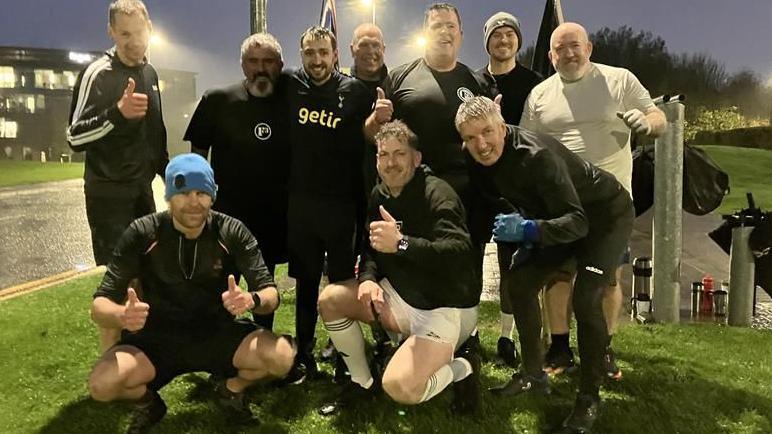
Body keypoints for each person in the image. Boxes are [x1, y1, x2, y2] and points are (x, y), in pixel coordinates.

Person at [457, 96, 634, 433]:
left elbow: (579, 223)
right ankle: (534, 374)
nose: (480, 145)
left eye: (487, 132)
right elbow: (495, 195)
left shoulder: (537, 156)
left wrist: (530, 229)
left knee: (586, 298)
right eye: (470, 137)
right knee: (520, 284)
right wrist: (520, 219)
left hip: (603, 215)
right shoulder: (474, 156)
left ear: (502, 126)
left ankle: (588, 397)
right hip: (558, 217)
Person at [86, 153, 295, 433]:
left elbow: (270, 294)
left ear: (213, 196)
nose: (194, 202)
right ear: (169, 197)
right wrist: (122, 315)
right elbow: (99, 305)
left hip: (216, 332)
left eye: (201, 192)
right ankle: (149, 404)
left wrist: (251, 300)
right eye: (183, 193)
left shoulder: (232, 230)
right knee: (102, 385)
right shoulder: (143, 231)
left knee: (282, 356)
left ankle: (231, 390)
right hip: (158, 339)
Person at [520, 22, 666, 379]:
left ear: (589, 47)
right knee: (557, 276)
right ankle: (558, 348)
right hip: (560, 204)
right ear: (551, 55)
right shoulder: (540, 94)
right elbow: (526, 144)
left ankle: (602, 349)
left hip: (609, 204)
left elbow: (658, 117)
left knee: (607, 280)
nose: (568, 54)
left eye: (574, 46)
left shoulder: (619, 80)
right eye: (559, 49)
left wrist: (647, 123)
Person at [317, 120, 482, 415]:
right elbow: (373, 246)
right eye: (383, 155)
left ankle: (464, 364)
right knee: (331, 299)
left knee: (401, 388)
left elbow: (459, 254)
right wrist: (367, 278)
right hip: (401, 297)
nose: (390, 163)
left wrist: (403, 243)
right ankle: (362, 383)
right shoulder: (381, 194)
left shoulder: (438, 194)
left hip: (443, 307)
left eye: (399, 154)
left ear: (416, 159)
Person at [66, 0, 168, 354]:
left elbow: (156, 132)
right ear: (111, 32)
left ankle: (141, 348)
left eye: (138, 31)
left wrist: (169, 174)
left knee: (148, 269)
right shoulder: (98, 73)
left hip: (142, 190)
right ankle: (112, 357)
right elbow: (74, 136)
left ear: (149, 28)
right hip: (108, 194)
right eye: (124, 33)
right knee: (118, 278)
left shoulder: (150, 72)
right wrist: (117, 114)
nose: (133, 40)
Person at [365, 2, 495, 273]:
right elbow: (373, 136)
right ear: (426, 32)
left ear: (460, 33)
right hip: (416, 196)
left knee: (465, 274)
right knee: (415, 271)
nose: (444, 32)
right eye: (437, 26)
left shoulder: (477, 82)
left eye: (450, 26)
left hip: (467, 198)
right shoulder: (400, 77)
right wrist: (377, 120)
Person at [284, 26, 374, 382]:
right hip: (301, 203)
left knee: (340, 283)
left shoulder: (356, 91)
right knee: (305, 283)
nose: (317, 60)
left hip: (341, 205)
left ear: (336, 54)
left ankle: (343, 355)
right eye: (310, 53)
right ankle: (304, 354)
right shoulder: (289, 85)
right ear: (301, 54)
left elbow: (370, 137)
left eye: (323, 52)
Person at [184, 32, 289, 330]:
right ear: (243, 65)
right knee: (220, 285)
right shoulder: (217, 99)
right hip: (226, 217)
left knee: (263, 286)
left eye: (268, 61)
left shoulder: (291, 102)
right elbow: (197, 156)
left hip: (272, 218)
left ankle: (261, 342)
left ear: (280, 65)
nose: (261, 68)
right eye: (253, 61)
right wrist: (199, 199)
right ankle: (216, 344)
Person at [477, 11, 543, 369]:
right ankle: (467, 335)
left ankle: (507, 337)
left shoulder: (534, 83)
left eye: (509, 35)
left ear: (517, 40)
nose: (503, 40)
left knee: (511, 268)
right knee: (469, 262)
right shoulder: (472, 80)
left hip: (516, 188)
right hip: (477, 185)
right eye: (496, 35)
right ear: (486, 41)